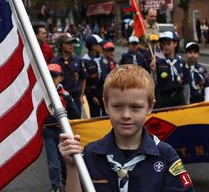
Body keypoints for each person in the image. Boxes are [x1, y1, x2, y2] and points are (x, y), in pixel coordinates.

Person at [58, 64, 195, 192]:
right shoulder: (90, 154)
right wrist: (72, 166)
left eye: (135, 107)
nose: (126, 115)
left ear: (150, 107)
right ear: (106, 105)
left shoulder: (166, 155)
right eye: (117, 106)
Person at [43, 63, 81, 192]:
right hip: (48, 131)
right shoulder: (41, 95)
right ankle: (55, 186)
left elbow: (75, 113)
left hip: (62, 132)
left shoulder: (65, 95)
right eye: (49, 75)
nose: (52, 78)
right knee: (53, 163)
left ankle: (67, 179)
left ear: (61, 78)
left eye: (55, 75)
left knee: (65, 159)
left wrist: (67, 122)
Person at [51, 33, 88, 115]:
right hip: (61, 96)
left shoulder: (78, 60)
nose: (71, 45)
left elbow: (83, 77)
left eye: (72, 43)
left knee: (77, 118)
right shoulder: (55, 62)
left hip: (75, 96)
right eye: (68, 43)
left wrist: (81, 95)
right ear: (60, 46)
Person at [155, 31, 191, 108]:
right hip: (163, 100)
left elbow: (186, 84)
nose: (166, 46)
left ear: (175, 44)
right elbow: (154, 83)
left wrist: (187, 103)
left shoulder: (182, 62)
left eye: (168, 44)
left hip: (179, 99)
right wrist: (152, 71)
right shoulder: (158, 62)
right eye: (163, 44)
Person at [83, 34, 111, 117]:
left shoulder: (103, 60)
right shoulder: (84, 62)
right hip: (92, 95)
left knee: (107, 116)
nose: (102, 47)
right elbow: (85, 82)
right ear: (93, 46)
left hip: (105, 94)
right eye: (100, 45)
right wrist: (92, 97)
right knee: (95, 117)